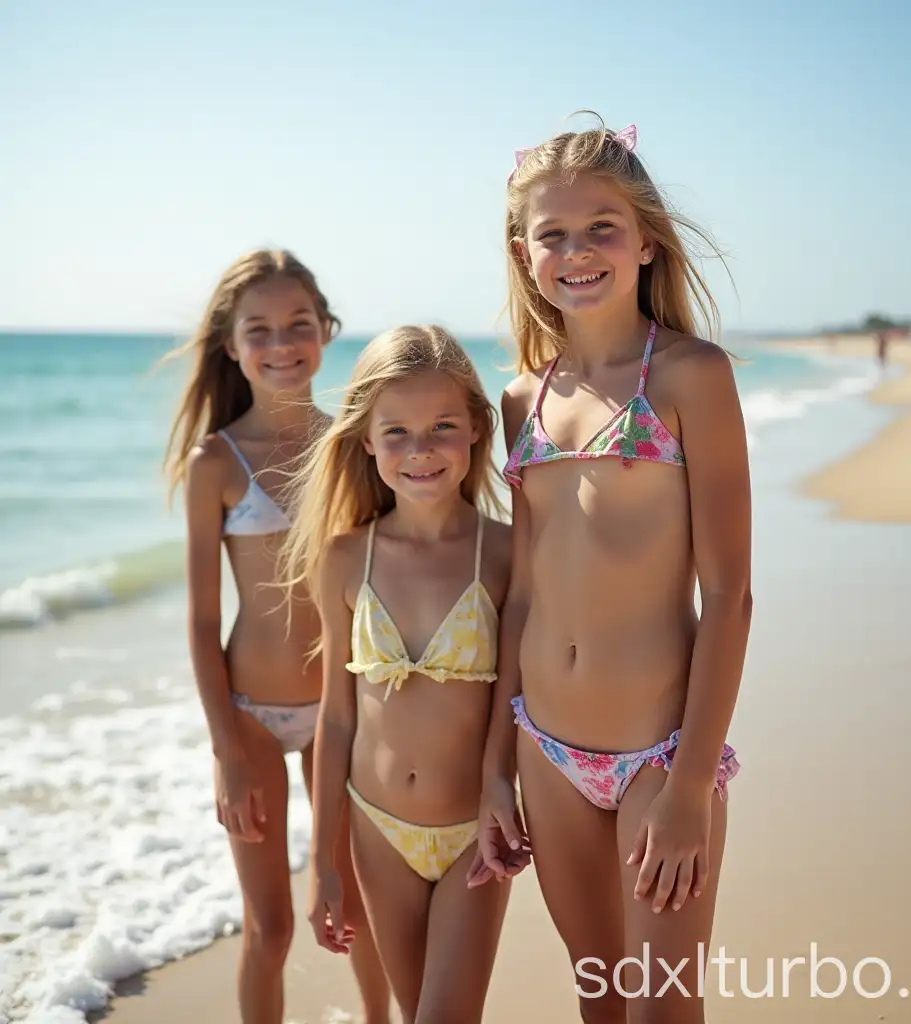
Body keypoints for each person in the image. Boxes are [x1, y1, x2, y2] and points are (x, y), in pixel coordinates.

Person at [471, 117, 750, 1023]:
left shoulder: (688, 377)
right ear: (524, 253)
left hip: (659, 760)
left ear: (643, 240)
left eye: (601, 227)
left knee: (662, 1010)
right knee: (601, 1004)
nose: (576, 250)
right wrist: (493, 770)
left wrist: (691, 785)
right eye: (553, 233)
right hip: (544, 747)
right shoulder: (522, 398)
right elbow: (520, 598)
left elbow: (732, 596)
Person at [163, 249, 391, 1024]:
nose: (282, 342)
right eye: (259, 329)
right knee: (273, 925)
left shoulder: (357, 444)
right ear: (231, 345)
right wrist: (226, 746)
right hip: (251, 713)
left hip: (346, 709)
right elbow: (198, 619)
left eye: (299, 323)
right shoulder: (214, 464)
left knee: (353, 903)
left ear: (326, 331)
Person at [279, 325, 527, 1023]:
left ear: (478, 428)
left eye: (443, 426)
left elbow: (514, 699)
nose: (420, 450)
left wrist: (499, 789)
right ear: (364, 439)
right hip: (375, 830)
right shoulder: (343, 557)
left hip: (472, 834)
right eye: (397, 433)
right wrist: (325, 864)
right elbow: (336, 716)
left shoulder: (505, 553)